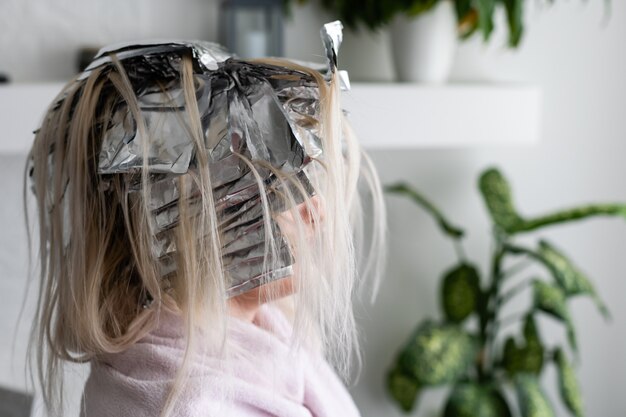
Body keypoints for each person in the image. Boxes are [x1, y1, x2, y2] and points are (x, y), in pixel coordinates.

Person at [25, 21, 385, 417]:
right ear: (194, 218)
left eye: (312, 180)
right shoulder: (185, 406)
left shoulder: (269, 337)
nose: (317, 213)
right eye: (282, 189)